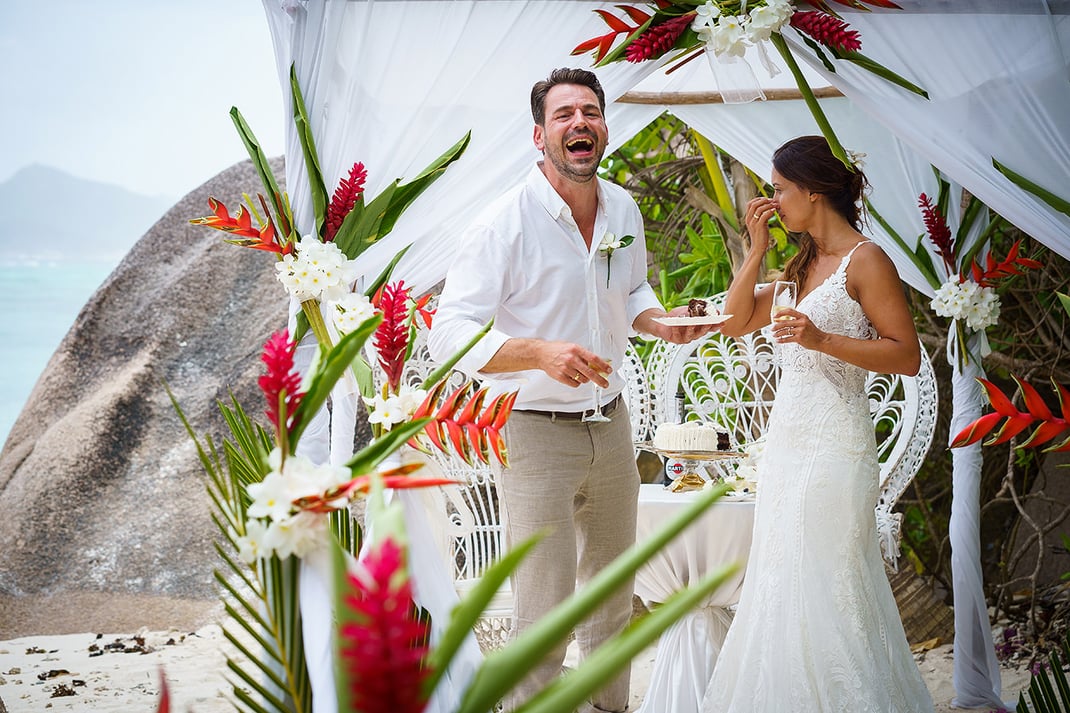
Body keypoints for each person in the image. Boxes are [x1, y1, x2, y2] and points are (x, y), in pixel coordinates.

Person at [427, 67, 712, 713]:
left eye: (591, 110)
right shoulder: (503, 223)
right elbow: (447, 332)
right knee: (544, 608)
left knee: (613, 599)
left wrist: (662, 322)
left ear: (604, 128)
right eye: (564, 115)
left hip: (612, 426)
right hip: (532, 433)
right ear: (539, 135)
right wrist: (537, 352)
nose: (579, 122)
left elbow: (631, 288)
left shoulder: (623, 208)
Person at [701, 135, 935, 712]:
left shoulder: (867, 260)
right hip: (787, 445)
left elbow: (906, 355)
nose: (774, 201)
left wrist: (822, 338)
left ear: (813, 190)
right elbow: (732, 323)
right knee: (782, 580)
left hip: (836, 446)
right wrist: (755, 248)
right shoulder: (798, 264)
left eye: (780, 189)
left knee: (830, 583)